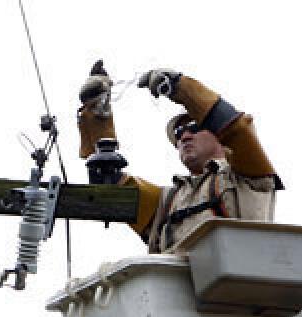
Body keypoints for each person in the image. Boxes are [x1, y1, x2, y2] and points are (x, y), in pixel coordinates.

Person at [78, 61, 284, 253]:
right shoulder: (169, 201)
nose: (184, 136)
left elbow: (238, 131)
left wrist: (180, 87)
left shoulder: (247, 180)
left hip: (236, 287)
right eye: (178, 133)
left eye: (194, 127)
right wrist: (97, 117)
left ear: (219, 136)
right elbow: (109, 187)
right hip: (177, 290)